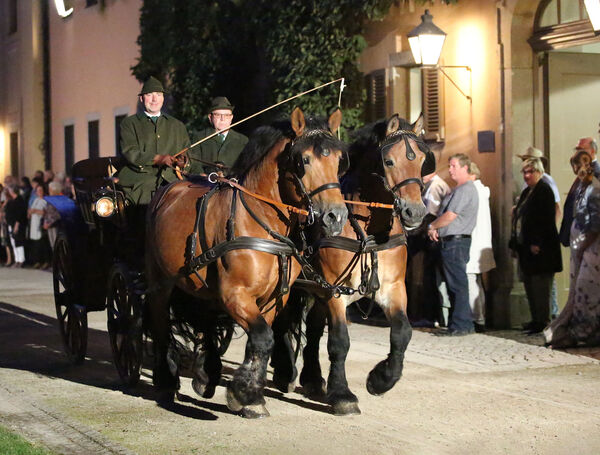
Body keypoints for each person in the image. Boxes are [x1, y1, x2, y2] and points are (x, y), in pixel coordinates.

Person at [544, 150, 600, 347]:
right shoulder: (584, 187)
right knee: (581, 289)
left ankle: (583, 332)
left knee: (586, 291)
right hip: (584, 246)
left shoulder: (594, 188)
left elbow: (595, 222)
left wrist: (584, 243)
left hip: (592, 250)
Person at [115, 76, 191, 205]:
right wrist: (159, 159)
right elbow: (130, 152)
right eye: (150, 95)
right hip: (140, 180)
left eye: (158, 95)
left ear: (163, 98)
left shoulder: (177, 126)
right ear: (141, 98)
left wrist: (184, 162)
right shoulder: (129, 124)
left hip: (172, 178)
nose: (154, 99)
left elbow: (188, 152)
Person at [427, 153, 479, 336]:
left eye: (453, 166)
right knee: (453, 283)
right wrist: (436, 230)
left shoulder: (465, 189)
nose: (450, 170)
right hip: (450, 241)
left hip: (456, 242)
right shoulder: (459, 189)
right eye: (449, 166)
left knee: (457, 284)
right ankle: (459, 323)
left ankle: (461, 324)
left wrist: (432, 226)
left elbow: (450, 216)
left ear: (465, 168)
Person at [510, 158, 562, 334]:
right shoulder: (527, 192)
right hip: (525, 247)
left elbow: (546, 219)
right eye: (524, 172)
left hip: (541, 248)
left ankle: (543, 320)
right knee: (530, 285)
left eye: (530, 172)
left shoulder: (544, 190)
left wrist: (536, 242)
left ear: (539, 172)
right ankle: (535, 319)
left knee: (541, 287)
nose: (527, 175)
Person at [466, 162, 496, 332]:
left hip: (475, 241)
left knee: (472, 281)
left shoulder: (474, 191)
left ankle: (477, 318)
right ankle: (480, 316)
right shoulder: (482, 191)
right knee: (476, 282)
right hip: (481, 241)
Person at [190, 96, 248, 176]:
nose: (222, 119)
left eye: (226, 115)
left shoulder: (243, 141)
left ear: (231, 118)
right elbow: (194, 163)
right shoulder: (199, 138)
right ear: (210, 118)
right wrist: (201, 175)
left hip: (233, 185)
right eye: (218, 115)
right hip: (205, 185)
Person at [559, 137, 600, 247]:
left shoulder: (596, 174)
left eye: (581, 149)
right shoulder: (583, 173)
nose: (577, 153)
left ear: (592, 151)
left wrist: (583, 241)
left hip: (587, 240)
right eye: (576, 149)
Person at [4, 184, 27, 268]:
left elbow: (20, 214)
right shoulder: (11, 200)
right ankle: (17, 259)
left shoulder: (19, 200)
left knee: (19, 242)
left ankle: (21, 260)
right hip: (10, 224)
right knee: (13, 242)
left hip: (17, 224)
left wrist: (16, 225)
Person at [28, 185, 50, 269]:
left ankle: (46, 261)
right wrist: (30, 212)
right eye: (38, 190)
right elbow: (31, 210)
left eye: (41, 190)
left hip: (41, 224)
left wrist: (35, 211)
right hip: (34, 224)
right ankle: (37, 261)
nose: (39, 192)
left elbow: (45, 212)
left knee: (43, 244)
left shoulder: (46, 200)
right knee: (36, 245)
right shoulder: (35, 200)